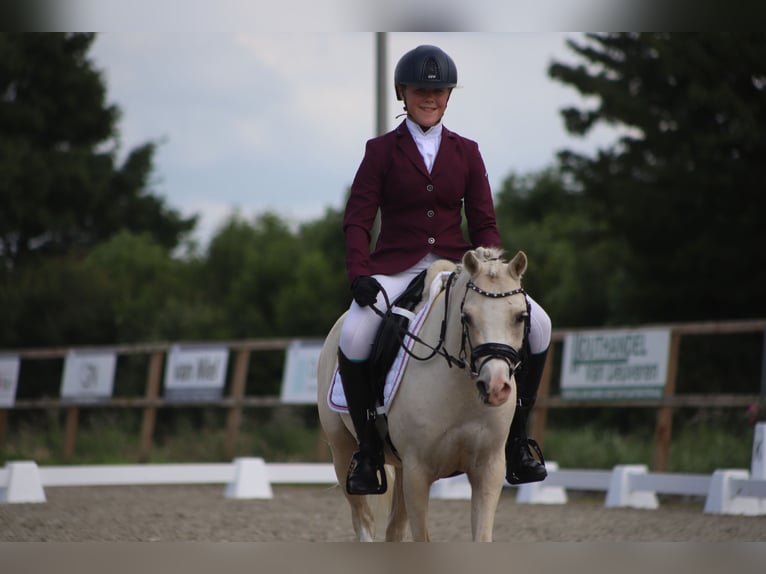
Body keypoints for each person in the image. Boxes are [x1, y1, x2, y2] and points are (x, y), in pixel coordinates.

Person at [338, 44, 552, 495]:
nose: (429, 97)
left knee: (541, 325)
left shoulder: (467, 151)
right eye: (420, 90)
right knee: (355, 333)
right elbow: (358, 218)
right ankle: (369, 454)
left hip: (458, 266)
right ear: (402, 93)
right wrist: (359, 272)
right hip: (396, 266)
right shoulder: (380, 151)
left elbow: (485, 223)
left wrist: (493, 274)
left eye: (438, 90)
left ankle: (517, 441)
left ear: (449, 95)